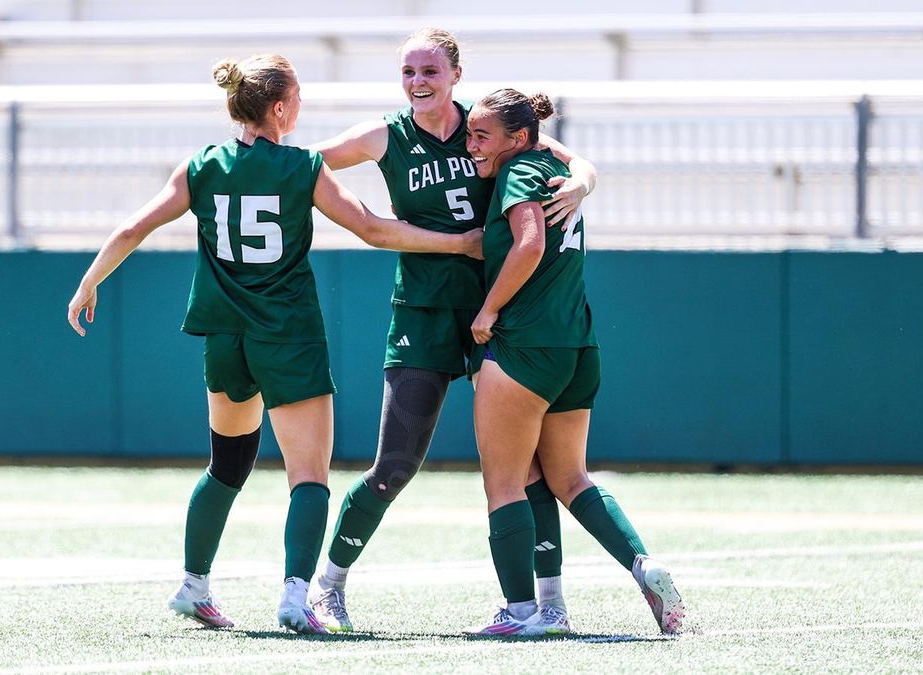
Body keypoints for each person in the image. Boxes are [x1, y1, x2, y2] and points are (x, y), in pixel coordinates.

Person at [65, 54, 481, 635]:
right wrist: (461, 244)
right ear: (280, 108)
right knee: (308, 477)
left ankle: (194, 584)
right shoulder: (302, 167)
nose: (302, 106)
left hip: (225, 337)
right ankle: (293, 597)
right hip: (287, 336)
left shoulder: (202, 166)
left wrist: (89, 283)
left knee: (227, 463)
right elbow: (374, 229)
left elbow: (135, 227)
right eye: (299, 97)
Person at [307, 28, 597, 634]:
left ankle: (547, 604)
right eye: (408, 72)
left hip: (500, 312)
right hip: (424, 311)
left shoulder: (485, 124)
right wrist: (373, 226)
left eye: (430, 72)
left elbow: (573, 160)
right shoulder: (385, 135)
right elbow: (305, 165)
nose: (418, 82)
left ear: (456, 76)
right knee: (395, 465)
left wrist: (584, 182)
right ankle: (326, 585)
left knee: (533, 469)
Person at [464, 88, 684, 637]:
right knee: (564, 476)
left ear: (517, 138)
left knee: (504, 484)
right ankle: (636, 567)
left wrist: (487, 310)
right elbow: (568, 170)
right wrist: (585, 174)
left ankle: (521, 613)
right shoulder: (551, 167)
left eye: (480, 135)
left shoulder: (517, 171)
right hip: (577, 347)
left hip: (523, 347)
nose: (470, 146)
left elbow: (530, 244)